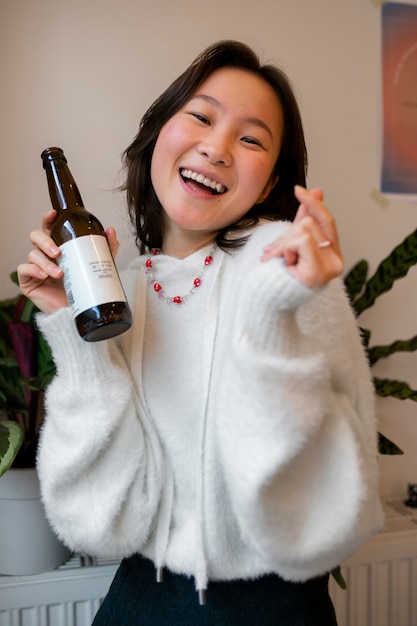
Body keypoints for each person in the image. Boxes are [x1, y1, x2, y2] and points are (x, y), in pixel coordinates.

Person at [18, 40, 383, 625]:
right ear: (160, 133)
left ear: (268, 186)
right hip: (140, 600)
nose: (216, 147)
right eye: (202, 116)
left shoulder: (283, 265)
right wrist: (76, 334)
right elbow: (95, 522)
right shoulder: (123, 287)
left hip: (271, 607)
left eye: (251, 138)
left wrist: (273, 313)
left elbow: (328, 511)